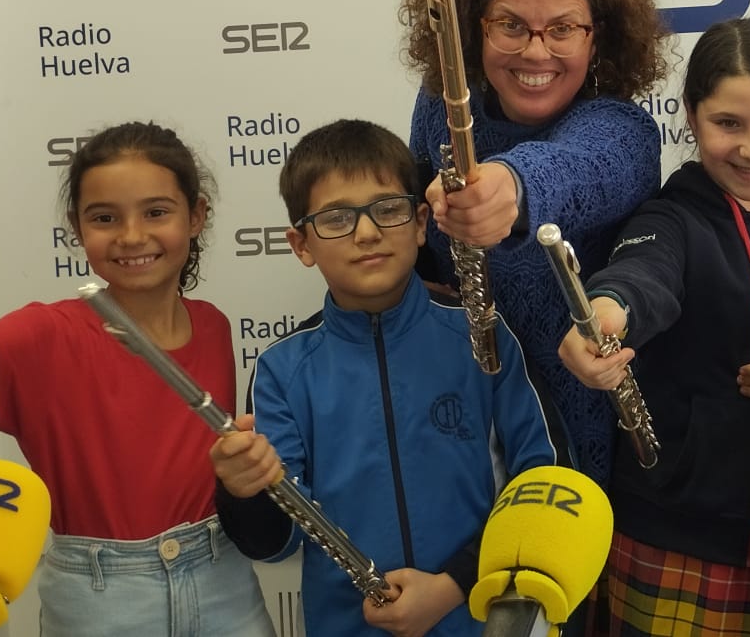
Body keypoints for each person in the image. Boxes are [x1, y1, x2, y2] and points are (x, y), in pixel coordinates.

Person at [0, 122, 274, 636]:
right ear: (77, 227)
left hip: (222, 583)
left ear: (196, 215)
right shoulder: (47, 331)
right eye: (104, 218)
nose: (132, 235)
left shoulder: (213, 324)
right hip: (101, 598)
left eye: (156, 212)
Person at [209, 118, 555, 637]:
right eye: (336, 218)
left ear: (420, 223)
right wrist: (243, 491)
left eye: (387, 210)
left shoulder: (482, 335)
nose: (367, 232)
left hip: (480, 617)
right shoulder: (283, 369)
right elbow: (275, 543)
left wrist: (454, 585)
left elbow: (540, 485)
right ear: (301, 244)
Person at [559, 16, 750, 634]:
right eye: (728, 123)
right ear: (691, 116)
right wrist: (600, 322)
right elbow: (638, 279)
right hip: (679, 538)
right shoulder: (670, 218)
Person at [400, 0, 671, 485]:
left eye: (563, 29)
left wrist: (508, 190)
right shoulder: (439, 106)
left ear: (599, 38)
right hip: (462, 435)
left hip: (589, 449)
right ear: (474, 26)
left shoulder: (624, 131)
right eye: (511, 25)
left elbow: (569, 169)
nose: (536, 52)